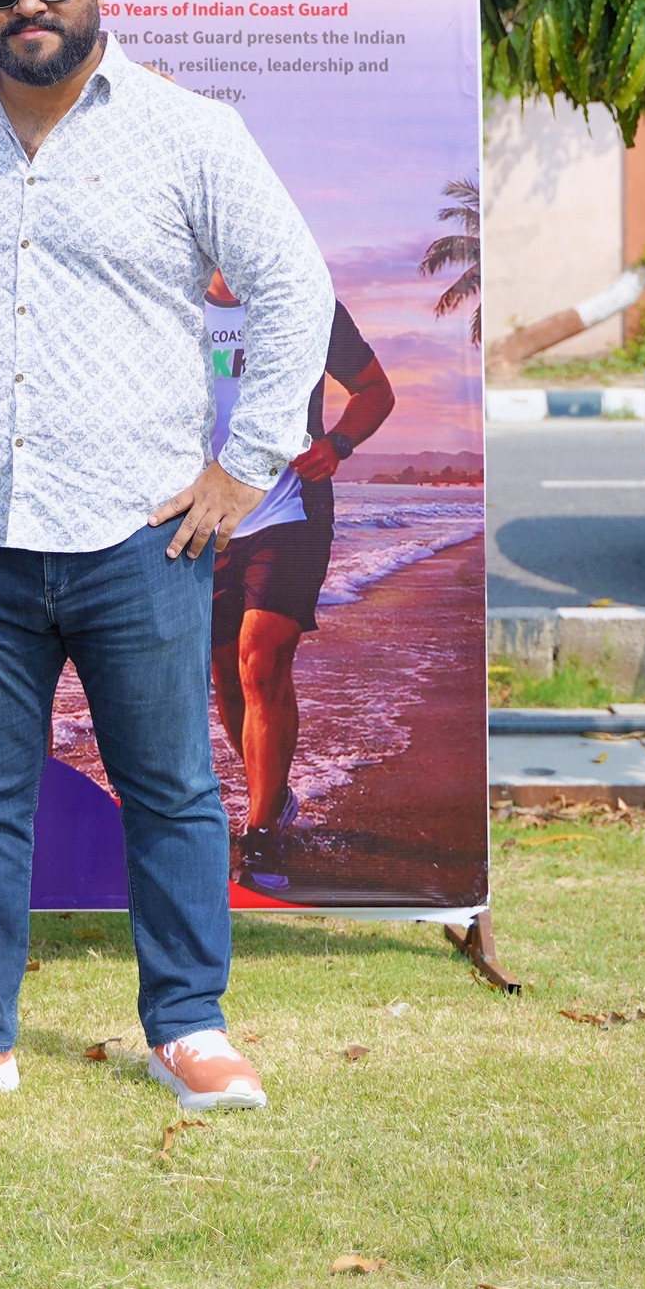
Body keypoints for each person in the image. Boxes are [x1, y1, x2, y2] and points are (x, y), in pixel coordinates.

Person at [0, 0, 331, 1117]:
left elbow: (295, 286)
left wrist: (247, 467)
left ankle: (188, 1024)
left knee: (171, 786)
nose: (29, 4)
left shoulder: (190, 132)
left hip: (142, 535)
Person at [201, 272, 394, 894]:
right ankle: (276, 795)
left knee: (261, 664)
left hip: (290, 512)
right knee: (227, 677)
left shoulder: (305, 302)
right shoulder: (168, 298)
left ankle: (261, 832)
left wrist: (337, 444)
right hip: (205, 517)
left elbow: (374, 390)